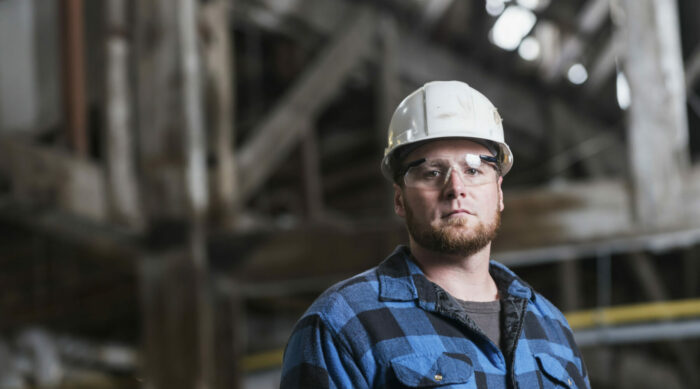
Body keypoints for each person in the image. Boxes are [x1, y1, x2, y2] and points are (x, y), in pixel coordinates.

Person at [280, 81, 590, 388]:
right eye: (432, 173)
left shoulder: (552, 326)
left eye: (473, 171)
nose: (456, 188)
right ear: (399, 199)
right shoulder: (342, 324)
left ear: (498, 193)